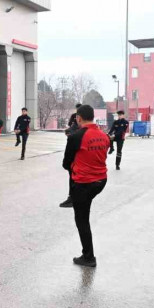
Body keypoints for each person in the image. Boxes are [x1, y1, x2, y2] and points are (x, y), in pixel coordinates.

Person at [62, 104, 110, 267]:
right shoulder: (104, 136)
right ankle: (88, 255)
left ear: (79, 118)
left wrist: (76, 168)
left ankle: (88, 257)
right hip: (101, 180)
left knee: (82, 219)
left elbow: (66, 163)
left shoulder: (76, 137)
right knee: (84, 214)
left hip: (83, 183)